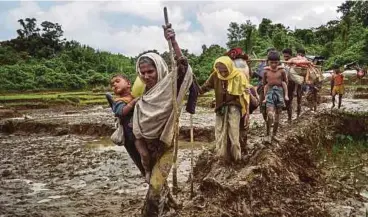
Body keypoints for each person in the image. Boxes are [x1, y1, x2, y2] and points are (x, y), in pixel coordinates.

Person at [132, 23, 197, 216]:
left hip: (165, 147)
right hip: (145, 149)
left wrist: (173, 41)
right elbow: (134, 125)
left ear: (159, 69)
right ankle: (169, 205)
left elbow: (184, 69)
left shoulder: (170, 87)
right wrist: (142, 154)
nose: (146, 76)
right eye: (142, 72)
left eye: (150, 72)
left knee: (154, 190)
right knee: (156, 185)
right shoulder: (141, 93)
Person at [200, 55, 250, 161]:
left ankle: (237, 158)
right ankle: (221, 156)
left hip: (234, 107)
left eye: (225, 71)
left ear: (229, 67)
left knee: (234, 134)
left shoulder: (238, 76)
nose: (222, 73)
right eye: (220, 70)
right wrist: (194, 89)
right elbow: (205, 87)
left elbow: (246, 95)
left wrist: (246, 113)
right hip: (220, 108)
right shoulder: (215, 75)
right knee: (219, 132)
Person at [106, 74, 145, 175]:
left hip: (140, 133)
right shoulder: (119, 101)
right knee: (138, 157)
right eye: (112, 84)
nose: (114, 84)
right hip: (130, 137)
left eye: (117, 81)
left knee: (145, 155)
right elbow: (120, 112)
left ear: (128, 84)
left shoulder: (135, 95)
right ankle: (145, 173)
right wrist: (132, 103)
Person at [262, 51, 288, 143]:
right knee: (270, 114)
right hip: (269, 93)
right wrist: (265, 95)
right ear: (268, 61)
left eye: (275, 62)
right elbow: (264, 83)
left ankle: (274, 135)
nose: (273, 64)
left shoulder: (282, 71)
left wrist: (285, 94)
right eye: (271, 62)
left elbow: (285, 82)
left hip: (279, 93)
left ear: (278, 62)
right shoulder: (265, 71)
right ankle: (268, 134)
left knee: (277, 116)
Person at [282, 48, 302, 122]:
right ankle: (289, 118)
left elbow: (296, 79)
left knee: (295, 101)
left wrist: (295, 90)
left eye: (287, 57)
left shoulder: (295, 64)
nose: (285, 58)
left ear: (291, 56)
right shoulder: (283, 64)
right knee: (287, 102)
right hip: (286, 85)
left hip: (294, 84)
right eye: (284, 56)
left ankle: (296, 116)